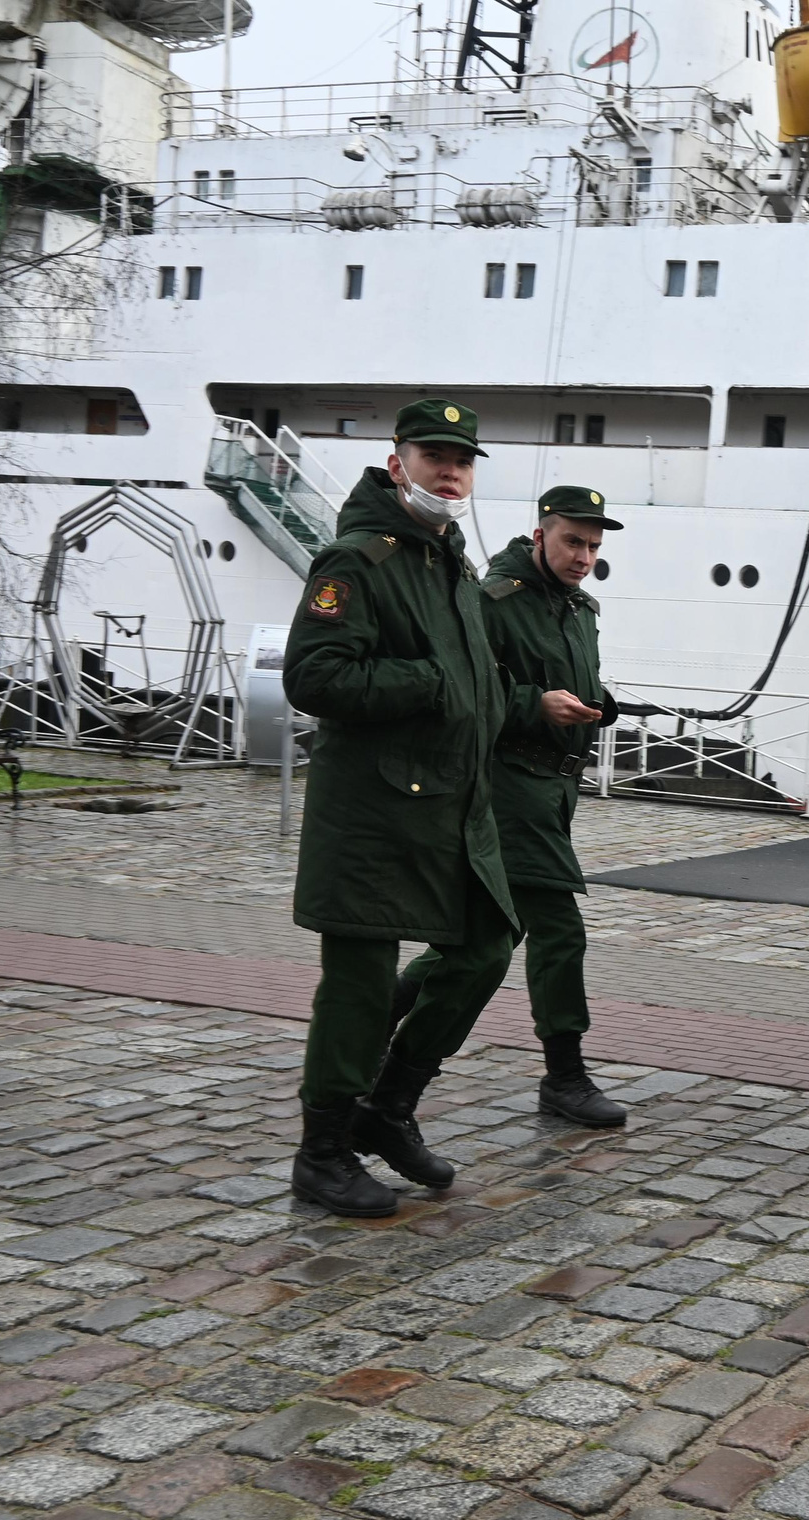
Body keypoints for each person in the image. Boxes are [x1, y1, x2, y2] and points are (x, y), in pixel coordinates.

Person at [284, 398, 566, 1217]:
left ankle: (388, 1106)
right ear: (396, 456)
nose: (452, 470)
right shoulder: (357, 562)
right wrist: (429, 683)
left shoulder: (449, 561)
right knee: (360, 984)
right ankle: (324, 1151)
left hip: (452, 806)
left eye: (464, 459)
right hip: (373, 813)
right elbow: (316, 677)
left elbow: (473, 685)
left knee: (484, 946)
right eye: (435, 454)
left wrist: (531, 705)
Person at [390, 486, 625, 1130]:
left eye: (594, 546)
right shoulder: (496, 600)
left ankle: (380, 1012)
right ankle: (564, 1075)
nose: (584, 557)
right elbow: (470, 682)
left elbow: (568, 677)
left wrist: (600, 702)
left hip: (557, 791)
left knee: (489, 935)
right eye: (573, 541)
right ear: (540, 532)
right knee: (559, 929)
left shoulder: (579, 607)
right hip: (509, 784)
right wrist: (533, 706)